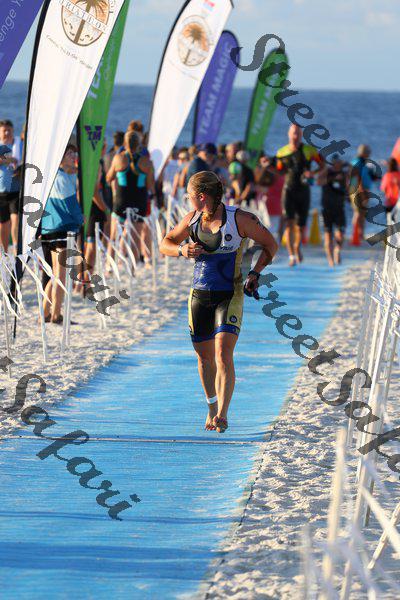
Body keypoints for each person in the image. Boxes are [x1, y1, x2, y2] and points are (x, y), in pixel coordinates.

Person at [159, 171, 278, 433]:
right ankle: (212, 406)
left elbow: (271, 244)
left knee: (223, 354)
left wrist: (255, 273)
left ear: (202, 196)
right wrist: (181, 250)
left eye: (189, 196)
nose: (188, 200)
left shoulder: (240, 219)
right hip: (199, 295)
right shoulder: (191, 219)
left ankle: (223, 413)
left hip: (230, 294)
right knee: (204, 359)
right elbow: (165, 243)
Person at [40, 144, 83, 324]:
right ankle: (54, 314)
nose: (73, 156)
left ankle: (46, 313)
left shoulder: (50, 175)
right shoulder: (62, 178)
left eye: (74, 153)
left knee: (55, 274)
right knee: (60, 275)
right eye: (69, 153)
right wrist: (81, 219)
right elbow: (71, 206)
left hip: (48, 228)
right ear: (61, 157)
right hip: (61, 228)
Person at [276, 124, 323, 266]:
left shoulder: (310, 150)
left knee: (301, 225)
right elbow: (279, 171)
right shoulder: (281, 152)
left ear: (301, 135)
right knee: (289, 222)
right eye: (293, 133)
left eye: (298, 133)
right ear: (288, 134)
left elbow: (322, 165)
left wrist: (312, 173)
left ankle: (297, 246)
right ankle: (291, 255)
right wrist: (268, 166)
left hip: (304, 190)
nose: (295, 136)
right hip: (288, 190)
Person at [107, 131, 155, 267]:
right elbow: (150, 185)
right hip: (139, 200)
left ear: (124, 143)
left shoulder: (118, 158)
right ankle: (134, 266)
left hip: (121, 199)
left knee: (114, 235)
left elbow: (109, 178)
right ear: (139, 144)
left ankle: (109, 266)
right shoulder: (146, 162)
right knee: (136, 235)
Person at [317, 154, 348, 266]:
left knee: (340, 234)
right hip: (326, 209)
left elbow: (351, 184)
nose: (337, 165)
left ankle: (337, 250)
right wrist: (331, 176)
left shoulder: (344, 174)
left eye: (339, 163)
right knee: (328, 236)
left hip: (339, 208)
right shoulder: (327, 173)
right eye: (335, 163)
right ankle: (330, 259)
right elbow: (319, 182)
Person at [349, 144, 379, 240]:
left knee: (362, 213)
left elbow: (367, 176)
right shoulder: (358, 162)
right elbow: (357, 177)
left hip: (361, 189)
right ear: (364, 152)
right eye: (368, 152)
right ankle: (355, 235)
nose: (369, 154)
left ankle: (360, 234)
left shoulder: (363, 162)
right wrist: (362, 191)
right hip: (358, 190)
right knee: (358, 212)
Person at [0, 120, 22, 250]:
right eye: (4, 130)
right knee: (3, 224)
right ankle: (4, 253)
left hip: (16, 190)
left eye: (9, 130)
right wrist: (9, 159)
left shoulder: (19, 144)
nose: (7, 133)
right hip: (1, 192)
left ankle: (16, 249)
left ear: (13, 131)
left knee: (16, 220)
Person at [255, 157, 284, 241]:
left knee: (264, 228)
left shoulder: (264, 174)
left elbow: (259, 187)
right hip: (276, 204)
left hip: (264, 203)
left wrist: (263, 168)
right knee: (273, 230)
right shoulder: (281, 177)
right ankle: (272, 246)